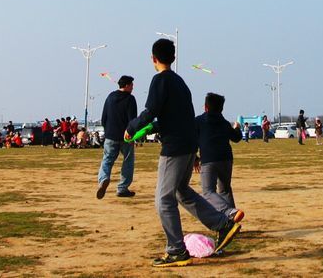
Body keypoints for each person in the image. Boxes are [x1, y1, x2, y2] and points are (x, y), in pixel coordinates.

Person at [126, 38, 242, 268]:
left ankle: (176, 250)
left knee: (163, 200)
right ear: (174, 58)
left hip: (175, 148)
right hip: (188, 145)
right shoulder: (180, 82)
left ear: (153, 59)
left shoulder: (160, 80)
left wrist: (131, 128)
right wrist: (194, 152)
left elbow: (151, 112)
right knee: (181, 192)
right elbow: (180, 117)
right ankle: (223, 223)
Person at [194, 92, 242, 218]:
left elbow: (191, 139)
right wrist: (237, 128)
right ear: (221, 108)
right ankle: (232, 220)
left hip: (209, 159)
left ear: (205, 107)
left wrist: (194, 157)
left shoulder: (198, 121)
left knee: (208, 191)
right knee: (225, 190)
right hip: (226, 159)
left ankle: (229, 212)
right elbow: (236, 138)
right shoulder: (224, 122)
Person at [97, 74, 138, 199]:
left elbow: (104, 117)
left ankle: (103, 179)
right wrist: (133, 134)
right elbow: (133, 119)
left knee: (107, 160)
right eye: (131, 85)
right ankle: (122, 188)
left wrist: (107, 130)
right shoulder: (130, 99)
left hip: (110, 135)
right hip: (126, 136)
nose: (133, 87)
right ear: (126, 85)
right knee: (128, 161)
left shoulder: (110, 97)